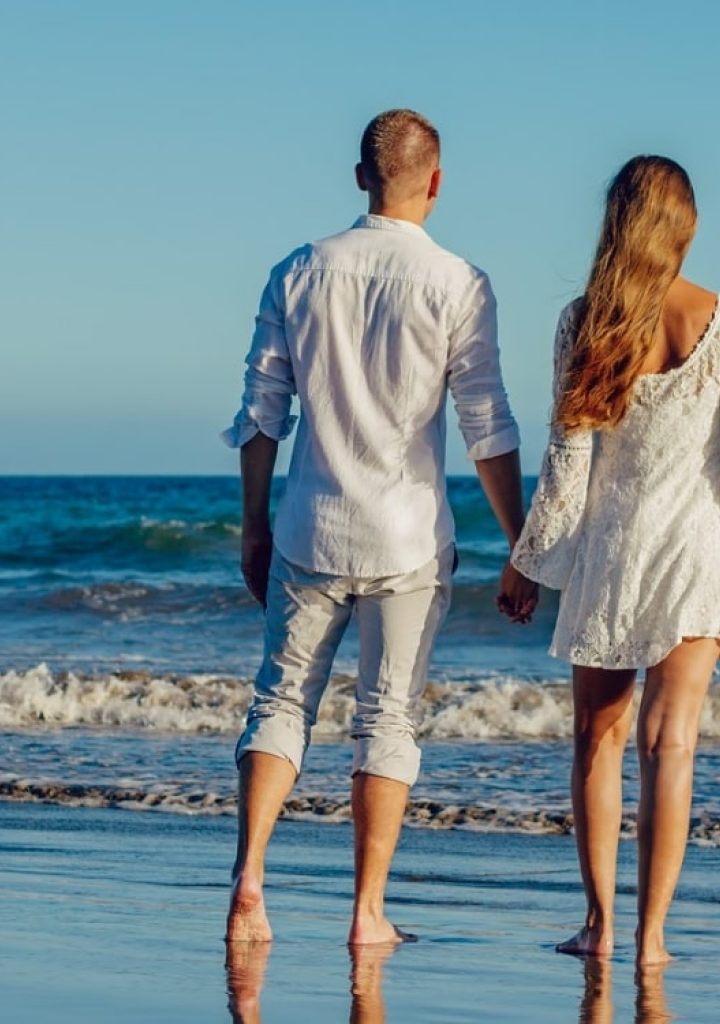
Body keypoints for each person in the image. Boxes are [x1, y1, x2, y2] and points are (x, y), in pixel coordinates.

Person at [221, 108, 537, 946]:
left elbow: (261, 416)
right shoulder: (460, 283)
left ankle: (251, 875)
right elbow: (487, 427)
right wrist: (522, 545)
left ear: (360, 175)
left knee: (280, 700)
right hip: (405, 538)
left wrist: (253, 527)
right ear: (435, 183)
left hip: (308, 528)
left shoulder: (297, 270)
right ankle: (366, 915)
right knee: (386, 720)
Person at [505, 156, 720, 964]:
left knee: (597, 741)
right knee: (671, 747)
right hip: (702, 555)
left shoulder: (582, 322)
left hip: (614, 557)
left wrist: (528, 562)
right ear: (687, 228)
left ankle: (597, 927)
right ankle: (651, 940)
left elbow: (565, 469)